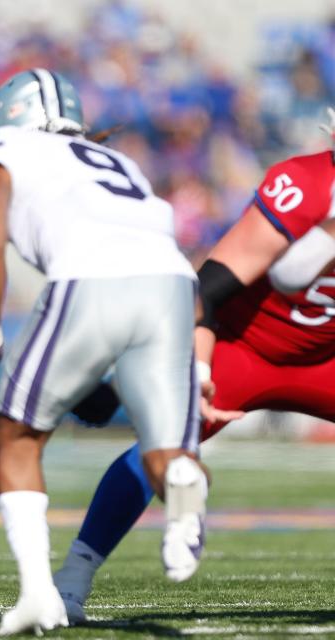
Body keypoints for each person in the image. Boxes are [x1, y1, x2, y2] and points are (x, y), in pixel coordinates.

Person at [53, 108, 335, 624]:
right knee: (165, 444)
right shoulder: (305, 183)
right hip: (244, 345)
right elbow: (210, 288)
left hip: (327, 357)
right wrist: (197, 367)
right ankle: (72, 578)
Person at [0, 68, 208, 635]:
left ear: (10, 116)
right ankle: (181, 484)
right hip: (172, 284)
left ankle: (36, 595)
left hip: (89, 279)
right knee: (164, 451)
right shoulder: (120, 162)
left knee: (18, 435)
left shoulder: (2, 147)